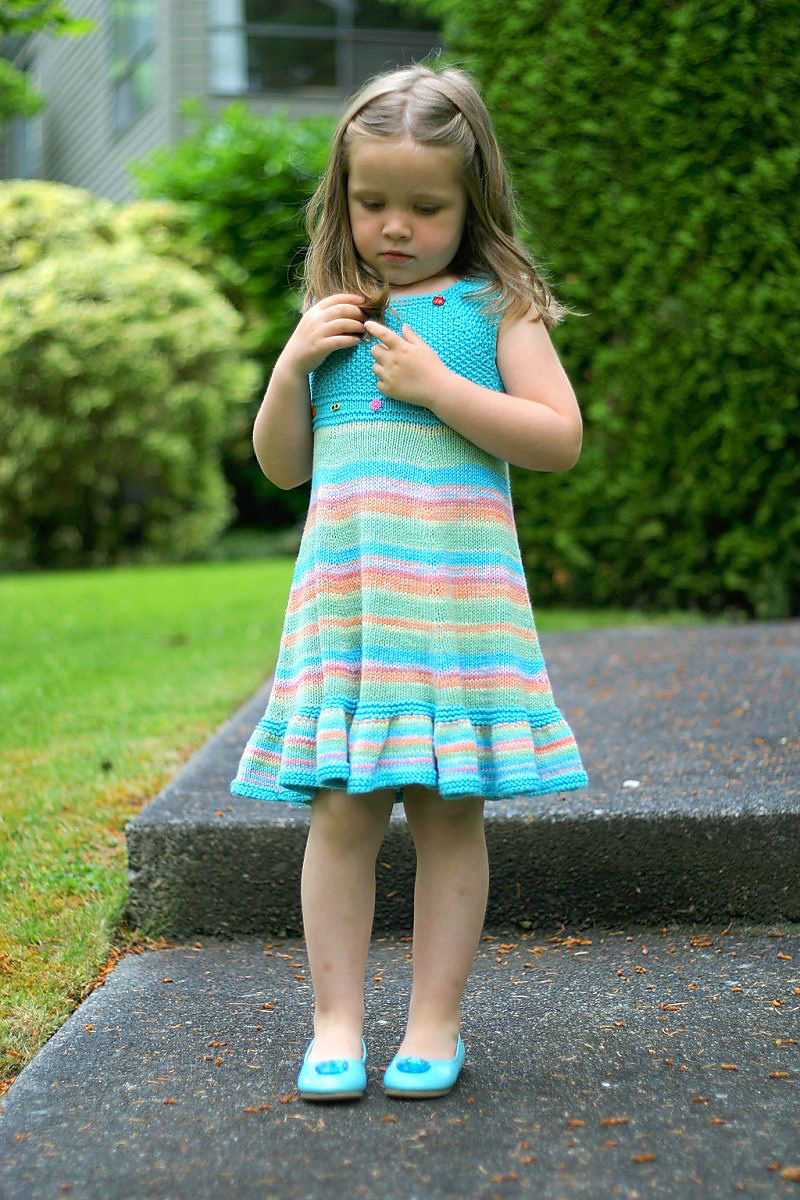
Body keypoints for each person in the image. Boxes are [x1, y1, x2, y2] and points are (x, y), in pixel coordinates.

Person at [230, 59, 589, 1101]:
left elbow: (557, 437)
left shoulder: (497, 308)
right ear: (341, 198)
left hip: (454, 614)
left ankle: (434, 1022)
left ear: (472, 200)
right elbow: (281, 466)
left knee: (446, 813)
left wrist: (438, 387)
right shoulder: (331, 313)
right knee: (342, 814)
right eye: (371, 201)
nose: (395, 226)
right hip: (352, 613)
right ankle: (334, 1026)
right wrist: (290, 366)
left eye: (426, 207)